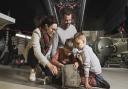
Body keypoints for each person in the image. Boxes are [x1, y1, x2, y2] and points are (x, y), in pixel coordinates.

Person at [27, 15, 58, 81]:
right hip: (33, 56)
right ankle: (33, 70)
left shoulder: (52, 35)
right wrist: (49, 65)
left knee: (52, 74)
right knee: (33, 51)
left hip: (43, 57)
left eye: (55, 30)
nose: (54, 32)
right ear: (46, 26)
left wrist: (52, 66)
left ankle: (39, 70)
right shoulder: (37, 32)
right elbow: (37, 52)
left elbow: (48, 54)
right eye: (52, 29)